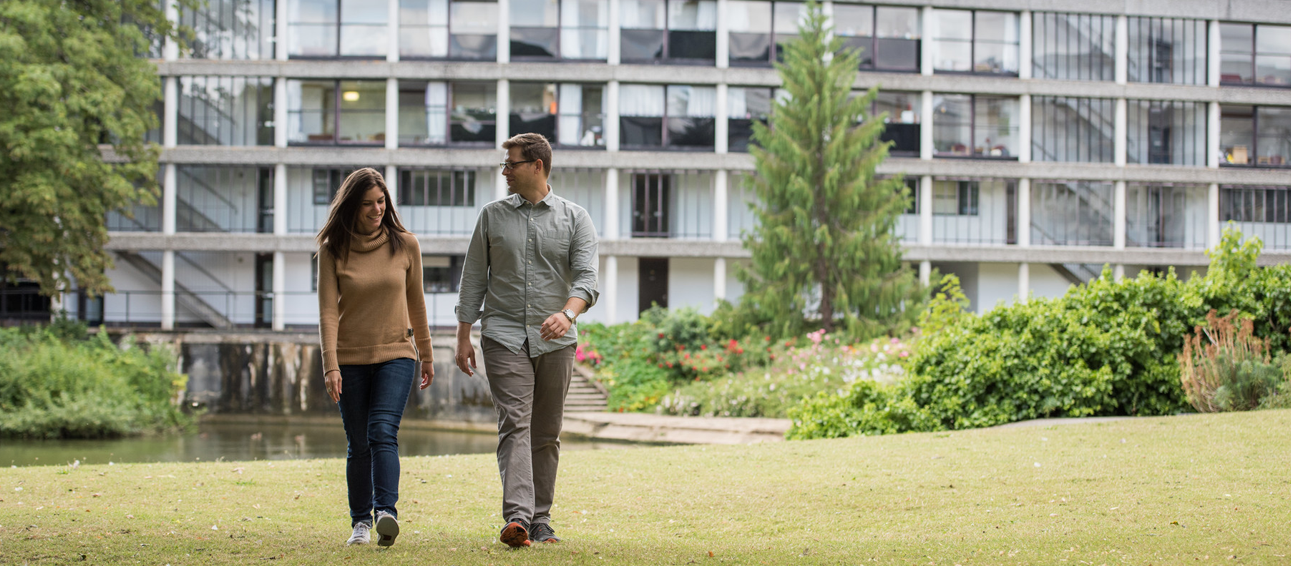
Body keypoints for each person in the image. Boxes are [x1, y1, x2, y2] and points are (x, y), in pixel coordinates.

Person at [455, 133, 599, 547]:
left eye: (511, 164)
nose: (505, 172)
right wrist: (464, 336)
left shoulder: (576, 219)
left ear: (537, 165)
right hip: (502, 336)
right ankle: (517, 518)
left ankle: (541, 519)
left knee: (547, 431)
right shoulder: (491, 216)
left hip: (556, 341)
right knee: (515, 423)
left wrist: (567, 313)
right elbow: (472, 280)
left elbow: (587, 280)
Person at [316, 167, 435, 547]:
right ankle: (360, 523)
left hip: (397, 353)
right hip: (349, 358)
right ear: (351, 206)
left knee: (383, 431)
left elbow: (416, 302)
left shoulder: (405, 245)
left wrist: (427, 355)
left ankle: (386, 512)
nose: (376, 209)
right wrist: (330, 364)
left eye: (381, 201)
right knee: (358, 442)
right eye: (367, 204)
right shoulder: (332, 249)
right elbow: (327, 312)